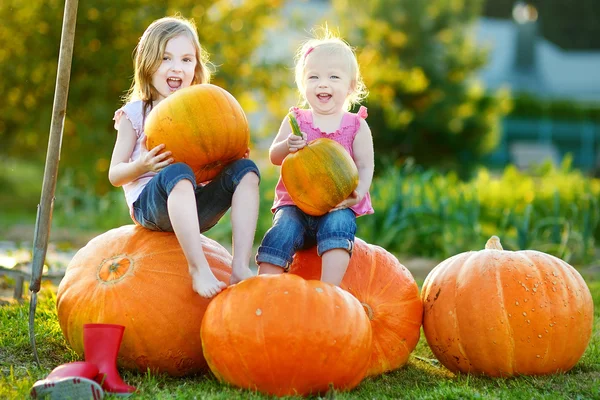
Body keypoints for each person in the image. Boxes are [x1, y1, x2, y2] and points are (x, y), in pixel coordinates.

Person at [109, 16, 260, 298]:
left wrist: (230, 159)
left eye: (186, 60)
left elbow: (206, 165)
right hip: (151, 207)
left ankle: (240, 265)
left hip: (194, 207)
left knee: (247, 170)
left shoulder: (202, 110)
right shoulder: (136, 113)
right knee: (177, 172)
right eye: (166, 58)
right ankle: (198, 268)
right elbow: (114, 174)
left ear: (196, 67)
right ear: (148, 63)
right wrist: (142, 165)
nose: (177, 67)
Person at [256, 28, 374, 286]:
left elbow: (366, 165)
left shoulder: (355, 125)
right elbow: (274, 156)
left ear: (351, 86)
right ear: (303, 84)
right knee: (282, 230)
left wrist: (359, 192)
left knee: (339, 226)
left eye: (333, 76)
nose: (323, 83)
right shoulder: (296, 120)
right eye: (314, 77)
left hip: (336, 204)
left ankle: (328, 289)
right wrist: (288, 145)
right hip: (295, 206)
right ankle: (264, 288)